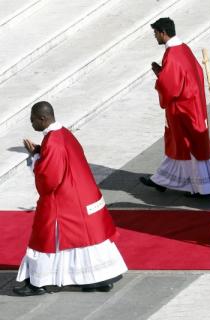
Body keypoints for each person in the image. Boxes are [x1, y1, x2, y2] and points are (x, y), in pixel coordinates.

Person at [14, 101, 127, 296]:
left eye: (33, 120)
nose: (31, 124)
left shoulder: (53, 142)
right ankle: (98, 278)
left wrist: (35, 160)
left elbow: (49, 179)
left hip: (64, 202)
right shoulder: (64, 134)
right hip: (82, 195)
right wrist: (40, 152)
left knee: (45, 238)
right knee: (89, 240)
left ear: (43, 118)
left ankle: (37, 282)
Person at [139, 17, 210, 198]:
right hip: (192, 104)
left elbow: (171, 85)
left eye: (155, 34)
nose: (155, 37)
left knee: (187, 146)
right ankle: (162, 180)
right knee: (183, 145)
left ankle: (203, 188)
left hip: (182, 108)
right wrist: (163, 73)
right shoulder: (183, 49)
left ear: (163, 33)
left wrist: (160, 77)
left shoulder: (173, 54)